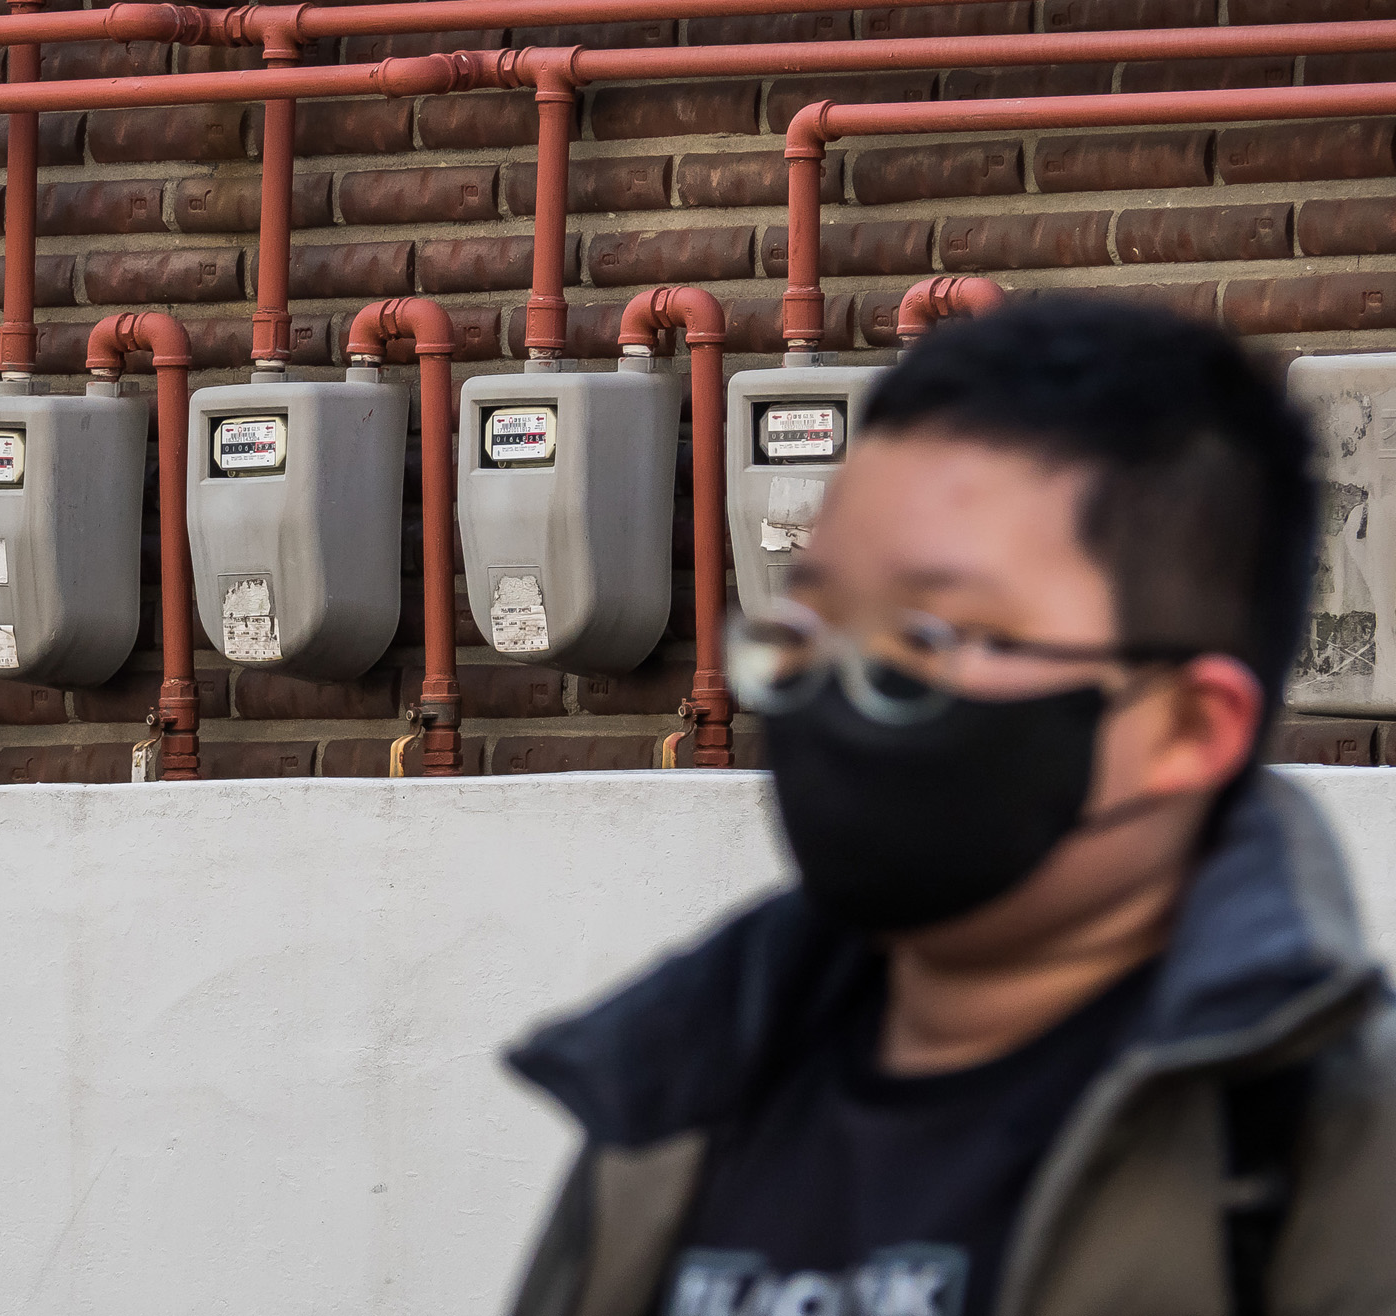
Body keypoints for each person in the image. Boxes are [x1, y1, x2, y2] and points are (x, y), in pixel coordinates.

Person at [504, 298, 1396, 1316]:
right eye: (807, 623)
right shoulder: (671, 1092)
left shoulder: (1322, 1148)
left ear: (1187, 727)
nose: (836, 687)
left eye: (926, 640)